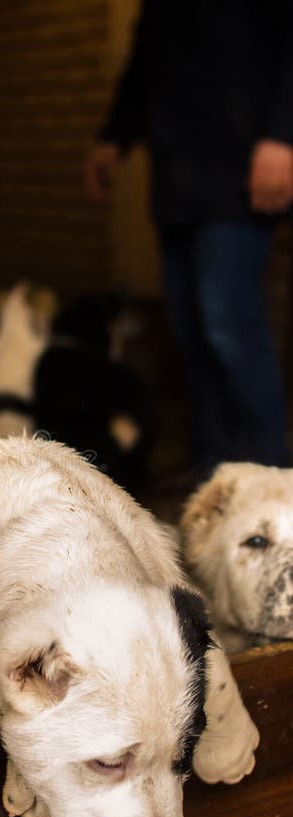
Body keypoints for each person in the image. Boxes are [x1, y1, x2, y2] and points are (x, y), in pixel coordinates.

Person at [85, 0, 293, 474]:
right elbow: (149, 59)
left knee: (229, 326)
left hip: (241, 174)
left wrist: (284, 136)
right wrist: (115, 137)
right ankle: (213, 474)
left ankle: (276, 477)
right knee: (189, 330)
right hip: (177, 176)